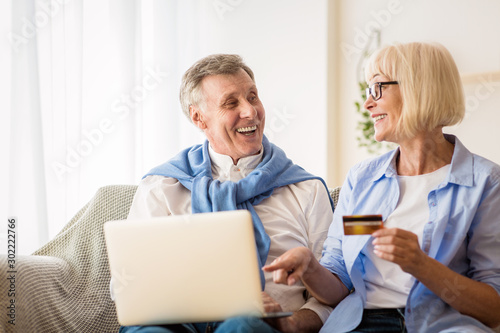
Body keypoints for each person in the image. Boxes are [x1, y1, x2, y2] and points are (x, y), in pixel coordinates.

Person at [263, 42, 500, 332]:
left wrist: (421, 265)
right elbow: (338, 285)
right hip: (358, 324)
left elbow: (494, 308)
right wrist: (309, 266)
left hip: (442, 324)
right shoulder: (361, 180)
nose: (367, 104)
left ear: (418, 88)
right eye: (367, 91)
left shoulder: (485, 182)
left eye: (378, 88)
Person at [118, 54, 335, 333]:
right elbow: (129, 284)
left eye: (253, 97)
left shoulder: (306, 190)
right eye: (231, 103)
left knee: (242, 325)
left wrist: (293, 322)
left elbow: (335, 293)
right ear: (199, 117)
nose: (250, 111)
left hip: (261, 326)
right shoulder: (162, 186)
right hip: (172, 324)